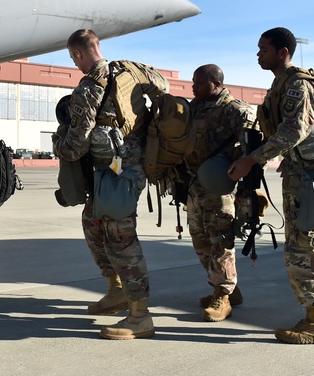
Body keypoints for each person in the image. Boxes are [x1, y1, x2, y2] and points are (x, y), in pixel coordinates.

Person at [228, 28, 314, 345]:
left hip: (311, 180)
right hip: (304, 177)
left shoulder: (297, 85)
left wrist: (253, 159)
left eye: (263, 49)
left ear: (283, 52)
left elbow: (294, 131)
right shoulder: (281, 85)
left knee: (302, 252)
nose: (258, 53)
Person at [52, 29, 168, 340]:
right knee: (92, 223)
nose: (75, 64)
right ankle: (116, 289)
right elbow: (163, 86)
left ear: (78, 54)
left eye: (73, 58)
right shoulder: (134, 70)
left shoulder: (90, 87)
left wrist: (58, 145)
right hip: (124, 168)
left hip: (118, 175)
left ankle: (140, 316)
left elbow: (76, 145)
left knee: (121, 239)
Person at [185, 64, 255, 322]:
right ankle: (226, 288)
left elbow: (253, 149)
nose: (194, 87)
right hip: (194, 186)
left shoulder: (236, 110)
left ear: (215, 83)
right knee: (200, 240)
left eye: (199, 83)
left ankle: (223, 296)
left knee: (219, 240)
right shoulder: (193, 109)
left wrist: (245, 185)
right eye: (193, 82)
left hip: (221, 187)